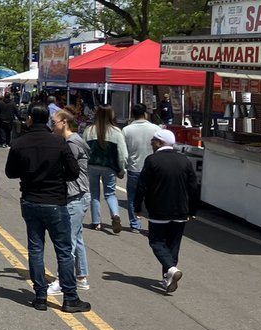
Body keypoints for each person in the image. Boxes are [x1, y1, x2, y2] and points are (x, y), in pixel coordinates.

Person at [4, 105, 89, 313]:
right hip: (55, 200)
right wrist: (56, 175)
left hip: (31, 199)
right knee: (64, 251)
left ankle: (40, 295)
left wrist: (29, 171)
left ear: (30, 119)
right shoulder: (58, 142)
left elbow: (10, 172)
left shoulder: (20, 143)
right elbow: (73, 172)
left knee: (36, 249)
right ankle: (70, 297)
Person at [133, 128, 200, 293]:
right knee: (173, 245)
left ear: (159, 143)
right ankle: (167, 278)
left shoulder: (152, 160)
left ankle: (171, 269)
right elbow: (193, 187)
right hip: (181, 210)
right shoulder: (184, 160)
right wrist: (192, 210)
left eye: (153, 141)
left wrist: (137, 207)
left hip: (159, 209)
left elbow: (142, 186)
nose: (151, 144)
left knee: (156, 241)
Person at [48, 110, 91, 294]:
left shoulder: (72, 143)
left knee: (67, 241)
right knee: (77, 237)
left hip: (76, 195)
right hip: (79, 194)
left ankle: (62, 281)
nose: (52, 125)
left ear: (64, 122)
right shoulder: (71, 140)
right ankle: (81, 277)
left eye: (54, 122)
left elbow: (64, 169)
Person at [84, 106, 127, 234]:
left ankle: (96, 222)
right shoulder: (116, 132)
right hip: (109, 167)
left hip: (92, 166)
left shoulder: (89, 130)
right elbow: (123, 155)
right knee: (110, 194)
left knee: (94, 194)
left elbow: (83, 149)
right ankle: (115, 215)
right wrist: (121, 170)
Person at [122, 104, 161, 233]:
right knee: (153, 197)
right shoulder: (156, 129)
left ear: (132, 114)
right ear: (145, 114)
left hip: (134, 167)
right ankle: (153, 223)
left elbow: (123, 151)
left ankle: (135, 224)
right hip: (153, 168)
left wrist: (122, 167)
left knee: (132, 197)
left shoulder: (126, 130)